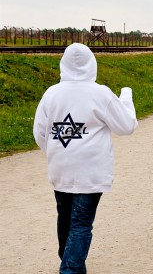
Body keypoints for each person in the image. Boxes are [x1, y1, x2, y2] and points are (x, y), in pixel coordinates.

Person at [33, 43, 138, 274]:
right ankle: (70, 268)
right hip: (90, 170)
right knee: (81, 223)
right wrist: (126, 97)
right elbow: (126, 126)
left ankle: (69, 258)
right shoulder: (100, 93)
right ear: (92, 64)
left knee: (65, 216)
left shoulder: (52, 93)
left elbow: (39, 132)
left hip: (60, 166)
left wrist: (55, 150)